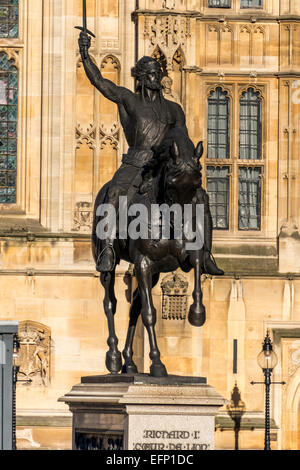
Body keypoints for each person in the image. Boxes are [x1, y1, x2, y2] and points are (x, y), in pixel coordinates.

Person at [78, 31, 223, 276]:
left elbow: (182, 140)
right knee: (113, 194)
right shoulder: (129, 100)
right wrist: (85, 54)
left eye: (158, 72)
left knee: (200, 197)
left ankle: (205, 253)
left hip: (161, 166)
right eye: (152, 73)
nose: (157, 77)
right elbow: (101, 82)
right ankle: (107, 250)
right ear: (143, 78)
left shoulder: (174, 109)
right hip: (135, 163)